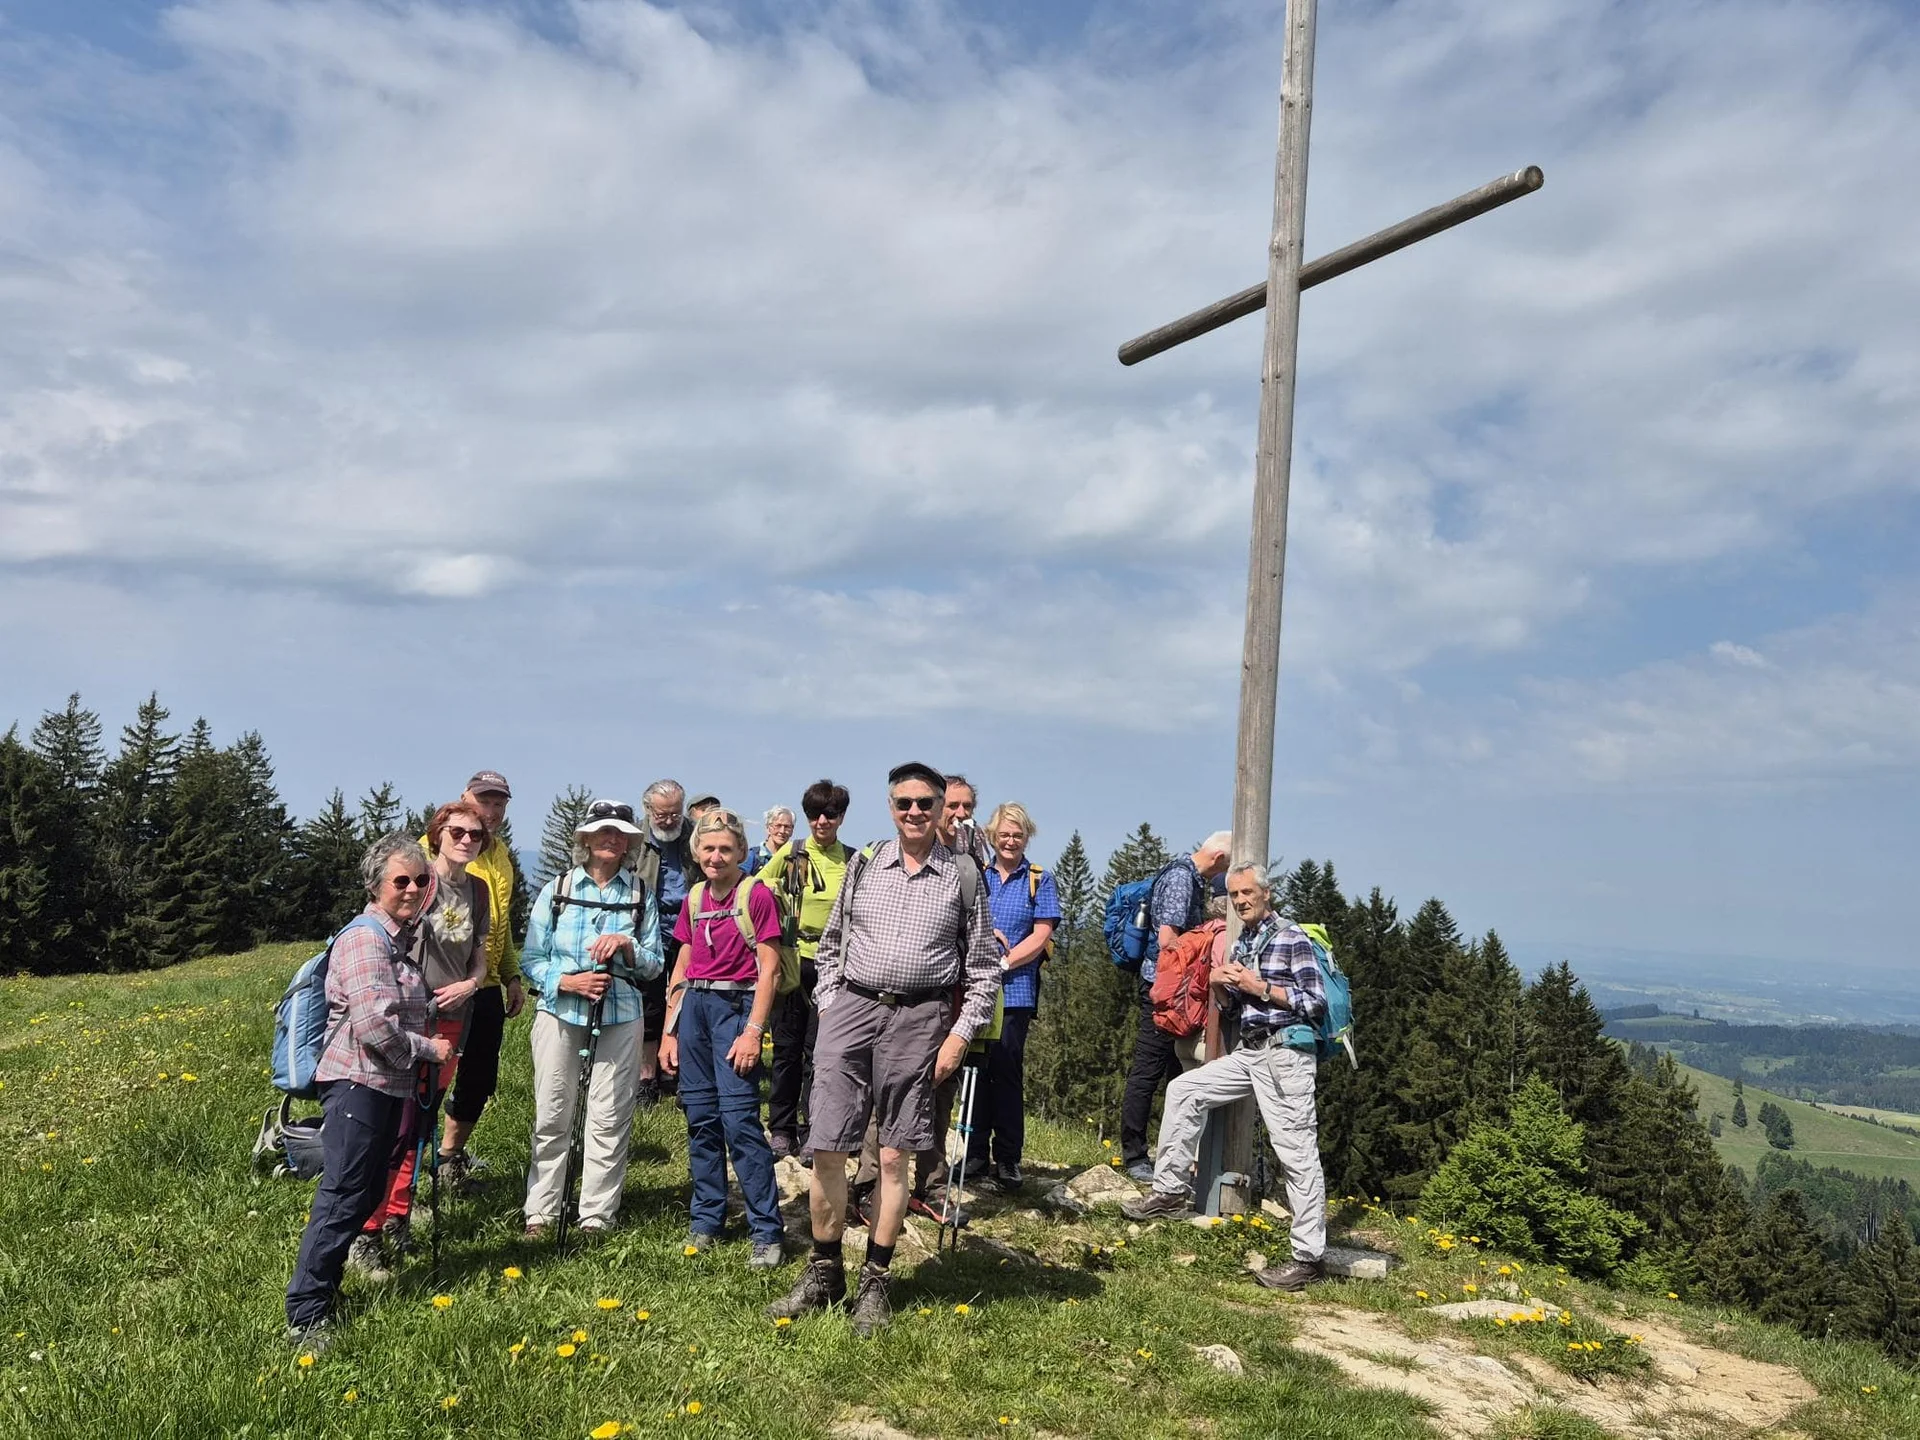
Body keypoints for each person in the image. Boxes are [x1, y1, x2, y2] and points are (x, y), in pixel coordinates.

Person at [768, 762, 997, 1337]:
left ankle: (875, 1279)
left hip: (920, 1017)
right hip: (851, 1007)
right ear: (890, 807)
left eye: (925, 803)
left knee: (895, 1155)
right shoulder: (866, 864)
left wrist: (959, 1034)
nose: (915, 812)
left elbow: (984, 969)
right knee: (825, 1145)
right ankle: (824, 1273)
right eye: (904, 803)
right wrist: (829, 1001)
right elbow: (833, 941)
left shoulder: (964, 877)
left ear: (943, 807)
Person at [1121, 863, 1328, 1291]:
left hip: (1287, 1054)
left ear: (1267, 893)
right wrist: (1219, 984)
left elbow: (1316, 1004)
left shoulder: (1292, 938)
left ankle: (1308, 1257)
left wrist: (1260, 988)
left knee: (1296, 1152)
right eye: (1234, 895)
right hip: (1252, 1053)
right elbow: (1233, 1009)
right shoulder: (1244, 943)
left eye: (1248, 893)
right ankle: (1171, 1192)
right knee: (1185, 1089)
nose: (1241, 901)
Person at [286, 833, 454, 1350]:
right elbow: (375, 1027)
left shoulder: (399, 939)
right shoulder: (365, 939)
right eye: (400, 880)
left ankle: (321, 1295)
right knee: (343, 1194)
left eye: (420, 880)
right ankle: (306, 1315)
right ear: (375, 885)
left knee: (358, 1192)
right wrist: (430, 1051)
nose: (412, 889)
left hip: (383, 1084)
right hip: (359, 1084)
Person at [347, 802, 492, 1277]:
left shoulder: (478, 890)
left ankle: (397, 1217)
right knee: (394, 1125)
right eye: (458, 831)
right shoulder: (416, 881)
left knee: (420, 1126)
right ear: (438, 833)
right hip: (409, 1018)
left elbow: (479, 956)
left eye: (476, 834)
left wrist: (472, 985)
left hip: (454, 1017)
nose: (467, 840)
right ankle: (365, 1231)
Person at [846, 768, 993, 1225]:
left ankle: (930, 1184)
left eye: (967, 807)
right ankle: (871, 1186)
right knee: (881, 1091)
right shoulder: (883, 859)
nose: (959, 815)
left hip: (946, 1000)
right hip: (887, 1001)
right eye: (952, 806)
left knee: (938, 1092)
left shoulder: (970, 865)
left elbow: (978, 944)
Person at [521, 800, 664, 1239]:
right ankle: (540, 1213)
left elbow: (655, 964)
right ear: (585, 839)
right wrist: (567, 981)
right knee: (553, 1111)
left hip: (621, 1013)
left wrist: (627, 947)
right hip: (561, 1011)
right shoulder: (558, 889)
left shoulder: (639, 894)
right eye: (602, 831)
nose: (611, 838)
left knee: (610, 1114)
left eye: (620, 833)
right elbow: (531, 958)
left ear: (630, 844)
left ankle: (596, 1218)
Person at [657, 808, 786, 1268]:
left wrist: (754, 1031)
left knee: (740, 1124)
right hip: (694, 1011)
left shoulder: (756, 895)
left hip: (735, 1012)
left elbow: (769, 968)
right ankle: (706, 1220)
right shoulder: (695, 898)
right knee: (701, 1120)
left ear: (741, 853)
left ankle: (766, 1231)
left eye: (725, 849)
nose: (716, 857)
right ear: (696, 852)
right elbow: (682, 963)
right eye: (708, 848)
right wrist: (670, 1031)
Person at [1122, 831, 1233, 1182]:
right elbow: (1168, 939)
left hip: (1176, 990)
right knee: (1148, 1070)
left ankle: (1171, 1158)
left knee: (1178, 1073)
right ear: (1218, 859)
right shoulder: (1182, 879)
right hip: (1166, 990)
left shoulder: (1186, 876)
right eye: (1226, 867)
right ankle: (1135, 1155)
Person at [755, 779, 856, 1158]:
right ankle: (781, 1128)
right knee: (786, 1048)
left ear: (842, 817)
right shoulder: (793, 852)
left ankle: (814, 1128)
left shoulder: (852, 858)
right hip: (794, 958)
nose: (821, 821)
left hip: (835, 965)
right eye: (814, 814)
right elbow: (757, 889)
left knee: (821, 1053)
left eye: (830, 814)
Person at [437, 770, 528, 1190]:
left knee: (478, 1075)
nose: (490, 811)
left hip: (487, 983)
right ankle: (407, 1167)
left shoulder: (501, 854)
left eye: (498, 804)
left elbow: (501, 923)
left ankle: (448, 1159)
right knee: (431, 1075)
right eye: (483, 801)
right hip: (440, 986)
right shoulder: (435, 848)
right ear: (463, 798)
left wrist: (510, 973)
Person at [966, 802, 1060, 1191]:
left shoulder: (1040, 879)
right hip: (975, 987)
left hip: (1016, 990)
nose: (1009, 841)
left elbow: (1041, 936)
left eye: (1017, 834)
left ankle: (1007, 1158)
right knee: (975, 1071)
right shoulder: (978, 875)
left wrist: (1003, 962)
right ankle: (973, 1155)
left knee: (1005, 1072)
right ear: (992, 836)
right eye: (1003, 834)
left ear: (1027, 837)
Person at [632, 779, 695, 1107]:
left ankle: (683, 1073)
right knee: (649, 1004)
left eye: (675, 813)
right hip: (648, 929)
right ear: (648, 810)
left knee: (687, 1001)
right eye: (662, 814)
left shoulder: (695, 836)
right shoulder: (634, 839)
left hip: (690, 929)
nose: (669, 820)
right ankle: (646, 1078)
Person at [746, 806, 795, 874]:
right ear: (768, 828)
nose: (782, 831)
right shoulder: (752, 856)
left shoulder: (794, 859)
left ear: (792, 830)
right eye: (778, 826)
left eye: (787, 827)